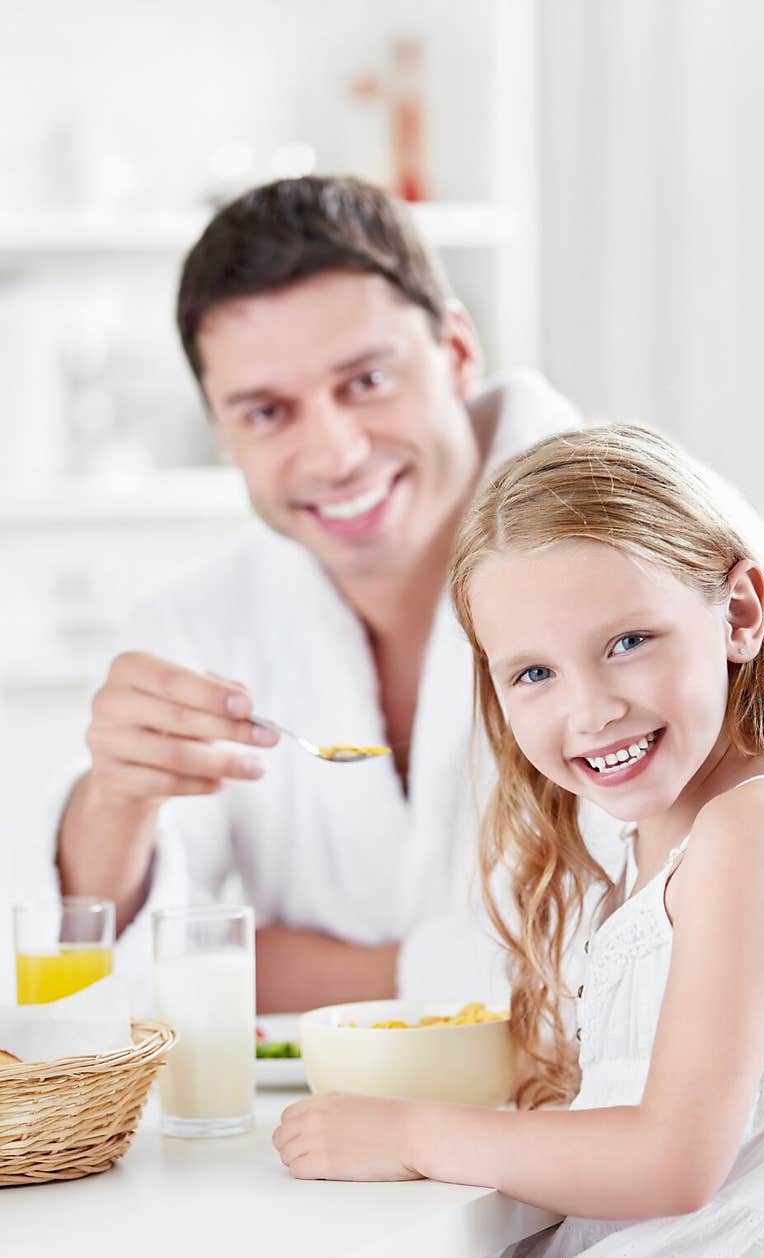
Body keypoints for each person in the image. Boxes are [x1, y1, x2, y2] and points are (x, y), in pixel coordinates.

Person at [272, 424, 764, 1258]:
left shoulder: (756, 829)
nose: (589, 710)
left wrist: (407, 1132)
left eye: (629, 641)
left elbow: (671, 1161)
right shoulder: (673, 839)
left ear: (739, 615)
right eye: (534, 673)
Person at [43, 175, 616, 1015]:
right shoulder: (198, 624)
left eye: (367, 382)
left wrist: (292, 974)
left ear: (457, 352)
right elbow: (102, 982)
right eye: (268, 413)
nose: (336, 454)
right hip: (311, 1137)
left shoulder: (643, 557)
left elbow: (677, 942)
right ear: (220, 428)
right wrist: (116, 797)